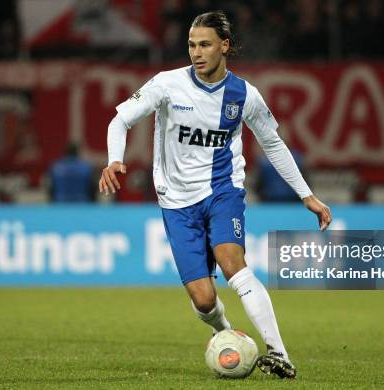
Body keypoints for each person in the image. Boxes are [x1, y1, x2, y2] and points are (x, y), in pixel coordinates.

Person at [99, 10, 332, 379]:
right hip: (176, 201)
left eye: (205, 44)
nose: (196, 52)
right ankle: (225, 334)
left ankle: (280, 353)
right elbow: (120, 120)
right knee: (204, 299)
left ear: (224, 46)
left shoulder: (243, 95)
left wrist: (307, 195)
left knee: (231, 261)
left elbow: (273, 143)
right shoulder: (166, 84)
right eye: (192, 44)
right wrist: (115, 160)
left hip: (223, 190)